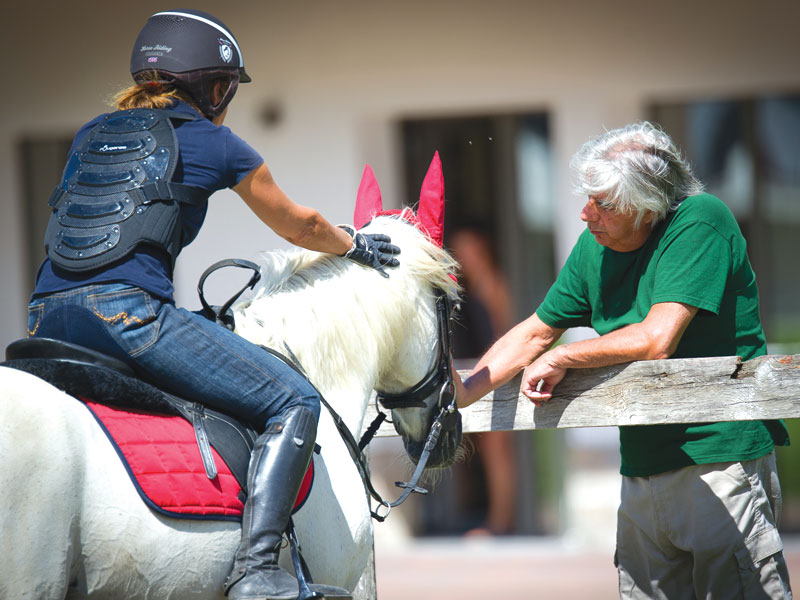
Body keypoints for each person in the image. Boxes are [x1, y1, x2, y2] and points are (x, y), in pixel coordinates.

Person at [27, 9, 400, 600]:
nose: (225, 101)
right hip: (129, 319)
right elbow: (299, 225)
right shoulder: (216, 141)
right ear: (207, 87)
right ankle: (256, 572)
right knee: (293, 398)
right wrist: (353, 244)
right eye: (224, 87)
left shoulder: (89, 132)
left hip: (44, 317)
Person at [453, 122, 792, 598]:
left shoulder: (700, 219)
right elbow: (535, 331)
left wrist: (567, 355)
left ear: (649, 204)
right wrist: (464, 390)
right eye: (588, 198)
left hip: (720, 460)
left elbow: (657, 337)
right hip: (639, 470)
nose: (585, 213)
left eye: (604, 203)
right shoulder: (598, 243)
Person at [449, 226, 517, 536]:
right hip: (478, 378)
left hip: (496, 377)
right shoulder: (471, 287)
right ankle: (494, 518)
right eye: (460, 252)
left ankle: (501, 522)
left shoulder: (492, 284)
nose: (465, 258)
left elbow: (504, 334)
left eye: (470, 251)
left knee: (497, 453)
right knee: (485, 453)